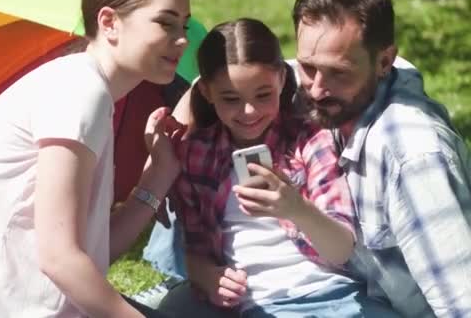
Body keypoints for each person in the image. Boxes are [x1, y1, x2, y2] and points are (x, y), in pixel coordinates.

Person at [0, 0, 190, 317]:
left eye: (184, 25)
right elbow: (60, 260)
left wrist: (158, 176)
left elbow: (89, 254)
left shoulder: (87, 89)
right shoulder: (80, 93)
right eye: (165, 23)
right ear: (109, 22)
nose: (181, 39)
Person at [156, 17, 399, 318]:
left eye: (263, 95)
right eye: (231, 99)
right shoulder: (196, 154)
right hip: (266, 306)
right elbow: (196, 251)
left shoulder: (309, 139)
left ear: (283, 79)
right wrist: (209, 278)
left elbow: (341, 250)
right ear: (206, 92)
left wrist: (295, 207)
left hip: (339, 294)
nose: (249, 112)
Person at [292, 0, 471, 317]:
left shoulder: (412, 156)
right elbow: (241, 78)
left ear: (385, 60)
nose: (316, 90)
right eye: (308, 67)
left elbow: (462, 303)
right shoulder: (340, 91)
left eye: (337, 73)